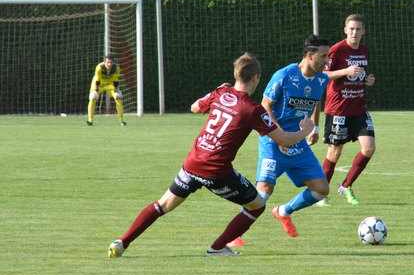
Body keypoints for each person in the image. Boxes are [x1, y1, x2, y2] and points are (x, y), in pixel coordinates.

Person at [107, 53, 315, 258]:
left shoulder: (220, 92)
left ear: (235, 75)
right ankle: (217, 248)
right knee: (257, 206)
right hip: (216, 170)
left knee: (162, 205)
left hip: (193, 162)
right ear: (255, 78)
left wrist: (217, 92)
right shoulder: (253, 109)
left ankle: (122, 242)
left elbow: (195, 107)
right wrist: (305, 130)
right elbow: (284, 140)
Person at [255, 35, 331, 238]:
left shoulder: (322, 79)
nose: (327, 61)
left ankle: (283, 212)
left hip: (298, 142)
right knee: (263, 191)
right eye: (323, 56)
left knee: (321, 189)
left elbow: (316, 101)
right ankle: (234, 236)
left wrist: (314, 127)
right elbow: (265, 106)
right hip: (272, 141)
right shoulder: (284, 75)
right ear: (309, 55)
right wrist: (280, 135)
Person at [320, 14, 376, 205]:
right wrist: (346, 71)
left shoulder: (364, 50)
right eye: (351, 29)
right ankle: (320, 193)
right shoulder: (336, 50)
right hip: (338, 110)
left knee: (369, 148)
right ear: (345, 30)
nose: (354, 32)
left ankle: (346, 186)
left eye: (358, 29)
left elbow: (360, 75)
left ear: (363, 32)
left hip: (359, 108)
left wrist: (368, 80)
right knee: (334, 153)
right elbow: (323, 74)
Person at [87, 55, 125, 126]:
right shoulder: (99, 68)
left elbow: (115, 81)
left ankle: (121, 121)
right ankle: (90, 121)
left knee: (118, 97)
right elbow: (97, 80)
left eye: (111, 62)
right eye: (108, 62)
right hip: (99, 84)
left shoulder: (116, 68)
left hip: (110, 84)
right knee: (93, 97)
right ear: (104, 62)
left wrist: (116, 90)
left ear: (113, 62)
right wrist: (96, 90)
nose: (109, 64)